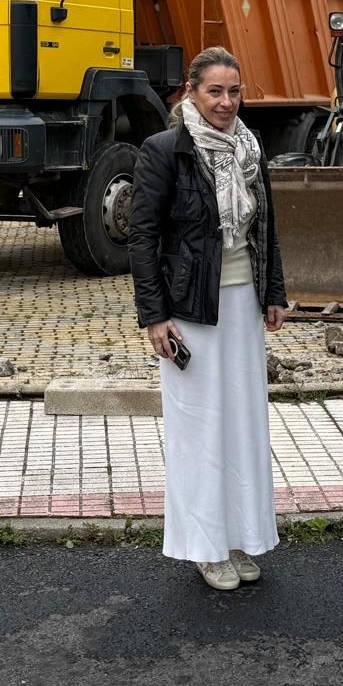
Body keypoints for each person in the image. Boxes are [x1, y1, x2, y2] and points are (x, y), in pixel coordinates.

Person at [130, 46, 289, 591]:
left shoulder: (250, 146)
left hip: (243, 305)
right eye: (215, 91)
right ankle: (205, 547)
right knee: (199, 429)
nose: (226, 102)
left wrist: (274, 291)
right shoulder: (164, 150)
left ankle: (241, 536)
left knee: (243, 425)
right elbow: (143, 237)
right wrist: (154, 317)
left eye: (234, 91)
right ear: (191, 93)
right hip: (190, 311)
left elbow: (263, 226)